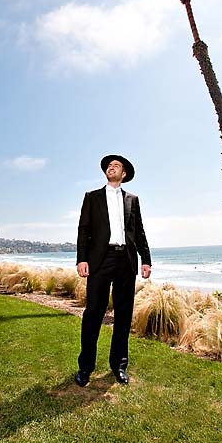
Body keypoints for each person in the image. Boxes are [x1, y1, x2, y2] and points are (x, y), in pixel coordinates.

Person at [75, 154, 151, 387]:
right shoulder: (92, 197)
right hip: (100, 260)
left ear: (124, 174)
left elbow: (138, 231)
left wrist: (145, 259)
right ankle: (85, 367)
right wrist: (82, 259)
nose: (111, 167)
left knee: (124, 315)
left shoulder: (133, 199)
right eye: (109, 166)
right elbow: (83, 230)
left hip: (126, 260)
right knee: (93, 313)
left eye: (116, 166)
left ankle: (119, 366)